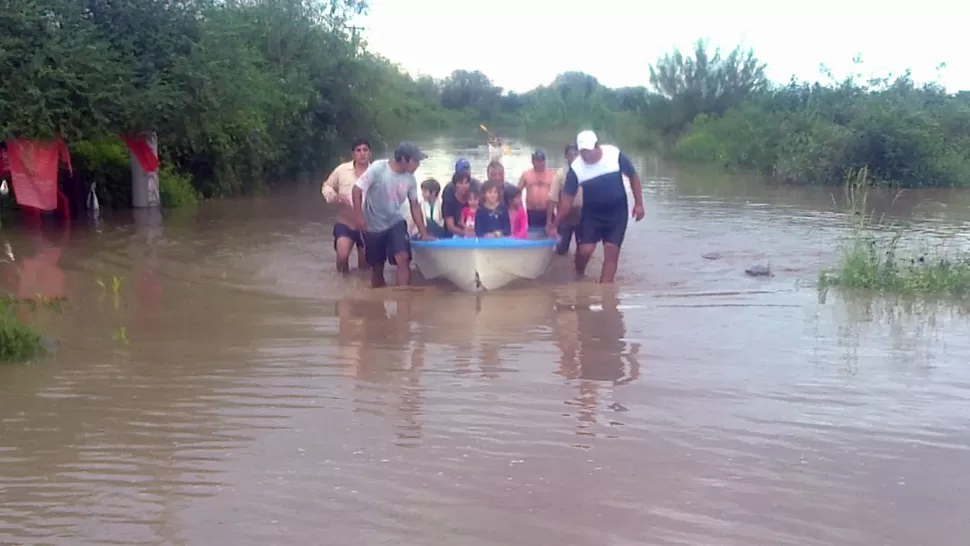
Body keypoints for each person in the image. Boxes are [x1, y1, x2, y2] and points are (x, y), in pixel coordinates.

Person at [547, 130, 645, 284]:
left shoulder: (613, 154)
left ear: (596, 146)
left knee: (611, 251)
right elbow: (566, 201)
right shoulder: (576, 169)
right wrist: (554, 224)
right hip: (592, 214)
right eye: (582, 152)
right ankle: (578, 272)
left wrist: (639, 204)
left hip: (617, 213)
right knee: (585, 249)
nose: (585, 156)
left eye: (588, 151)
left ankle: (606, 290)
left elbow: (633, 175)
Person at [352, 142, 434, 288]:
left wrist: (424, 233)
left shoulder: (410, 178)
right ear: (403, 159)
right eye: (416, 161)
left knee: (403, 259)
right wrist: (359, 217)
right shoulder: (378, 169)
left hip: (395, 221)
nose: (418, 165)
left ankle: (403, 299)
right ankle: (378, 302)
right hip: (373, 225)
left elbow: (414, 206)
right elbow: (356, 190)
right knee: (377, 269)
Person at [322, 138, 371, 273]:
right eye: (358, 150)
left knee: (364, 268)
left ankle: (360, 291)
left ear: (370, 153)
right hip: (346, 222)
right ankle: (342, 287)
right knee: (342, 258)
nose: (362, 153)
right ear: (353, 154)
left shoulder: (375, 172)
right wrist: (334, 197)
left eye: (365, 150)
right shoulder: (342, 170)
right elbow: (327, 186)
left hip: (368, 225)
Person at [547, 143, 581, 255]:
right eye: (570, 155)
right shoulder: (560, 174)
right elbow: (552, 199)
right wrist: (549, 222)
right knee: (561, 250)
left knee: (583, 248)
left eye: (575, 154)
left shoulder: (587, 172)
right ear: (566, 156)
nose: (573, 157)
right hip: (565, 214)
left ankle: (579, 270)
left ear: (579, 155)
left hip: (583, 213)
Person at [517, 149, 555, 229]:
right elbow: (517, 192)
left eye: (542, 160)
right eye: (537, 161)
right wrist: (520, 208)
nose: (540, 163)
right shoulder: (526, 175)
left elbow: (559, 194)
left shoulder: (552, 174)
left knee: (550, 233)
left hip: (548, 211)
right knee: (532, 234)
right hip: (531, 212)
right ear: (533, 162)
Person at [442, 171, 474, 237]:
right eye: (460, 183)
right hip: (453, 235)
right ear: (455, 185)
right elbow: (450, 227)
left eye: (466, 183)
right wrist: (465, 234)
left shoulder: (473, 199)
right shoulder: (449, 201)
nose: (464, 186)